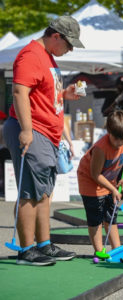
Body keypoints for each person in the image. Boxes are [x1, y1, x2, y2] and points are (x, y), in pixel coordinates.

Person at [3, 15, 84, 266]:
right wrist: (26, 130)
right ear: (55, 36)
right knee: (30, 191)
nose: (69, 50)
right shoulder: (30, 55)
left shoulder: (47, 57)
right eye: (68, 44)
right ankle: (26, 251)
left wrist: (64, 94)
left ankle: (44, 245)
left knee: (44, 193)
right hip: (33, 130)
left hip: (45, 132)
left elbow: (42, 93)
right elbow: (19, 91)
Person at [77, 110, 123, 254]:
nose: (119, 143)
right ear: (108, 131)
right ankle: (99, 250)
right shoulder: (101, 148)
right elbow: (95, 174)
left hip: (109, 183)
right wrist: (113, 189)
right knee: (95, 216)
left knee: (111, 215)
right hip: (90, 182)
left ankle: (117, 249)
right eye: (116, 138)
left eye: (122, 139)